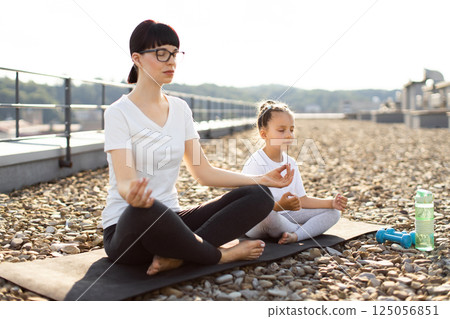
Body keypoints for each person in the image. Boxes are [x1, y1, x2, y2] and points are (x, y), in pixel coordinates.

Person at [102, 20, 295, 276]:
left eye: (175, 53)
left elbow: (203, 172)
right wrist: (132, 195)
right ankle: (218, 256)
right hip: (129, 229)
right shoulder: (118, 113)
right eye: (161, 54)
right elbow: (125, 182)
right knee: (145, 209)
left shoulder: (180, 108)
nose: (171, 61)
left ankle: (179, 257)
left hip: (174, 221)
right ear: (136, 58)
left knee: (259, 195)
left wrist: (261, 178)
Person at [242, 100, 348, 245]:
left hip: (287, 215)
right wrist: (280, 206)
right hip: (259, 220)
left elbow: (302, 200)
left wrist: (331, 203)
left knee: (333, 213)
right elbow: (251, 207)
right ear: (264, 134)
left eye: (291, 130)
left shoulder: (290, 162)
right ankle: (302, 229)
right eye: (281, 130)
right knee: (269, 217)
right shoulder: (256, 162)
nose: (289, 135)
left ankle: (296, 235)